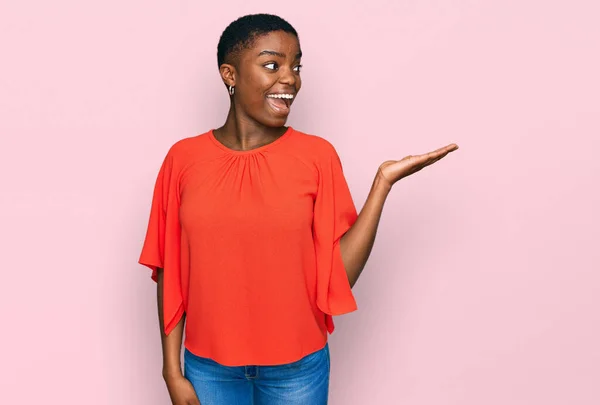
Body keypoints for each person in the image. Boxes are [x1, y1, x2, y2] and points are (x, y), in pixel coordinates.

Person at [138, 13, 458, 405]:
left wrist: (382, 186)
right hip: (208, 368)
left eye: (296, 66)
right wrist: (172, 371)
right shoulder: (182, 159)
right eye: (272, 64)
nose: (289, 78)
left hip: (297, 370)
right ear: (230, 74)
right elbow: (170, 268)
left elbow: (337, 276)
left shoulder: (316, 157)